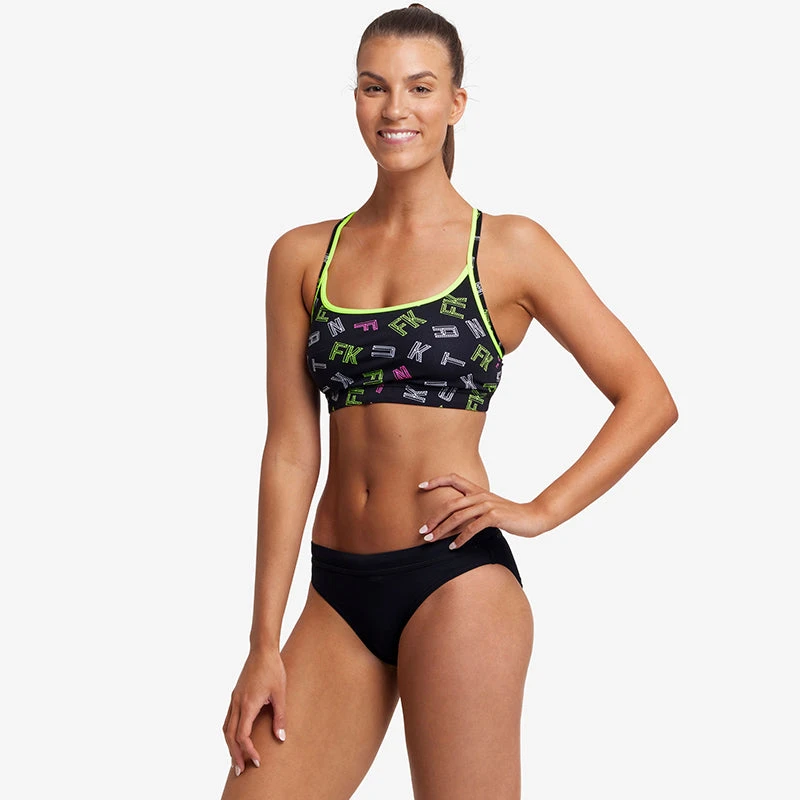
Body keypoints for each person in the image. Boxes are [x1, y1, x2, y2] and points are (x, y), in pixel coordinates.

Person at [220, 4, 678, 798]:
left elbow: (647, 397)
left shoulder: (508, 247)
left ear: (456, 102)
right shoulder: (302, 255)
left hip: (455, 580)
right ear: (356, 98)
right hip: (337, 592)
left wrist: (541, 509)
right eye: (375, 87)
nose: (395, 108)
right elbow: (291, 451)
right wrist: (263, 640)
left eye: (420, 87)